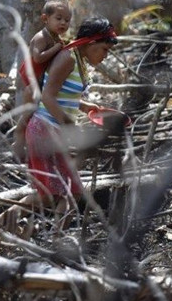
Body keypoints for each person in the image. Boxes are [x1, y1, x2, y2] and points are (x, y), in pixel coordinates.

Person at [25, 17, 118, 213]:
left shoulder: (78, 61)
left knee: (69, 192)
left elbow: (61, 96)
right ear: (91, 43)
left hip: (54, 130)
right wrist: (70, 127)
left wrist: (84, 106)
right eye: (105, 50)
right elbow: (47, 96)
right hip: (44, 130)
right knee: (52, 194)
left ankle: (56, 238)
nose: (106, 56)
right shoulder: (67, 58)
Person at [12, 0, 71, 161]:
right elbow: (38, 58)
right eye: (58, 18)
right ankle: (18, 143)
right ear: (45, 19)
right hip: (33, 83)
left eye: (67, 20)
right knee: (29, 114)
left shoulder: (54, 37)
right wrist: (57, 48)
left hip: (42, 81)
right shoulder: (41, 37)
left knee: (40, 114)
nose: (63, 23)